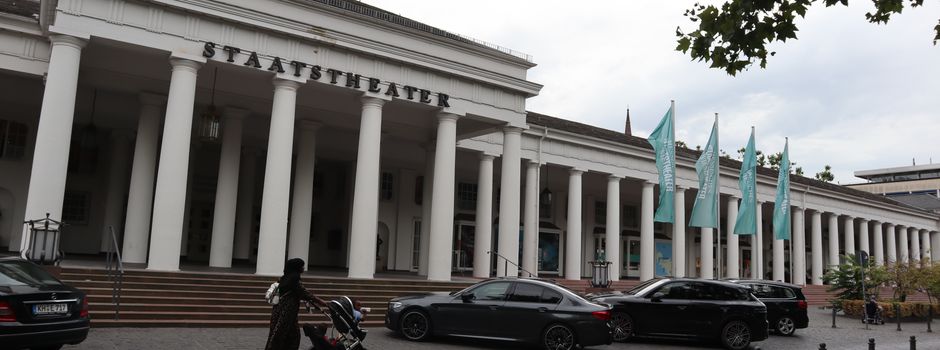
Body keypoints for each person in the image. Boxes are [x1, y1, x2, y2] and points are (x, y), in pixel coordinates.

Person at [265, 258, 326, 350]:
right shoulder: (294, 280)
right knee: (286, 336)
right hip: (286, 313)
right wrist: (321, 302)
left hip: (281, 312)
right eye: (302, 266)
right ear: (297, 267)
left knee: (282, 335)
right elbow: (305, 293)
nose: (303, 268)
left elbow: (302, 294)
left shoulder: (284, 278)